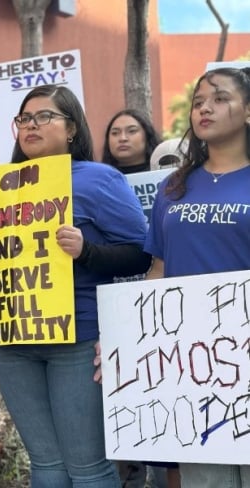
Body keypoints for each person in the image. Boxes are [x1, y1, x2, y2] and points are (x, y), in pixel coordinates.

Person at [0, 84, 150, 487]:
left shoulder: (100, 179)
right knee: (46, 468)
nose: (31, 125)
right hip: (13, 342)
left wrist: (87, 251)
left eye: (44, 117)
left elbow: (141, 252)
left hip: (78, 339)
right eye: (24, 119)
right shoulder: (0, 185)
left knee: (86, 468)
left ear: (71, 128)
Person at [144, 67, 250, 487]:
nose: (205, 107)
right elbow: (158, 269)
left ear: (247, 112)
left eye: (220, 98)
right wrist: (132, 339)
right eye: (198, 100)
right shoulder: (173, 187)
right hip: (193, 364)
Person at [101, 110, 180, 488]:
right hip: (120, 296)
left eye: (131, 130)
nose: (122, 138)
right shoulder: (102, 183)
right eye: (115, 131)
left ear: (148, 136)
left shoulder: (177, 184)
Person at [102, 108, 161, 174]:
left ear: (147, 135)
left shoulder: (168, 176)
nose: (122, 138)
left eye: (132, 131)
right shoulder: (100, 177)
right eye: (115, 133)